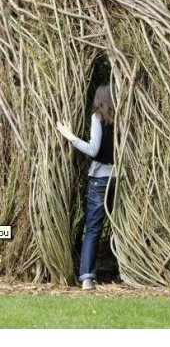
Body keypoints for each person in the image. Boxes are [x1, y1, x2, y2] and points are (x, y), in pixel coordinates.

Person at [56, 83, 116, 290]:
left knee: (93, 228)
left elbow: (93, 149)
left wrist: (69, 135)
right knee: (120, 226)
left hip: (100, 179)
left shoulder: (98, 117)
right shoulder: (123, 120)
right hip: (120, 178)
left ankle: (87, 278)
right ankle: (125, 272)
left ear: (99, 98)